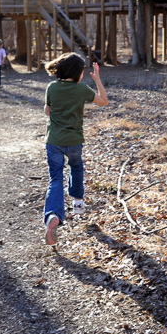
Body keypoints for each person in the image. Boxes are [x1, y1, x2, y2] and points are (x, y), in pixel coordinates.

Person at [42, 53, 109, 245]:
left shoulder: (52, 87)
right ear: (79, 73)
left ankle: (53, 215)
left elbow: (47, 112)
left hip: (54, 141)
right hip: (74, 140)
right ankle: (77, 201)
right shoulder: (81, 89)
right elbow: (104, 101)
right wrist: (97, 79)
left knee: (55, 178)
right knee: (76, 166)